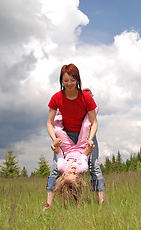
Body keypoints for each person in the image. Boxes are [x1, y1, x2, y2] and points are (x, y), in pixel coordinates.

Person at [43, 64, 106, 211]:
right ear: (61, 81)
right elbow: (49, 123)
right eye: (66, 80)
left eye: (72, 80)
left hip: (86, 134)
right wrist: (54, 140)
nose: (69, 84)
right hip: (66, 136)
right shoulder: (57, 98)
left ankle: (102, 202)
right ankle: (48, 204)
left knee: (94, 166)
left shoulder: (85, 97)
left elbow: (94, 122)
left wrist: (90, 139)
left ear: (77, 80)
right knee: (55, 168)